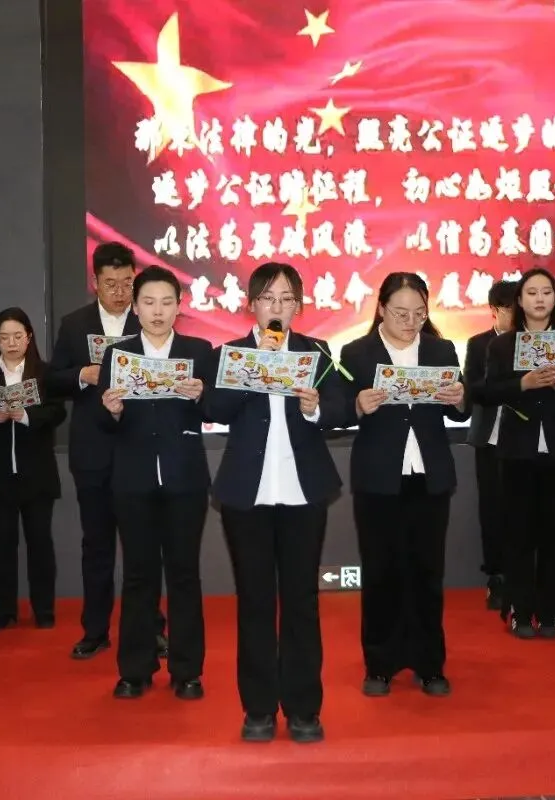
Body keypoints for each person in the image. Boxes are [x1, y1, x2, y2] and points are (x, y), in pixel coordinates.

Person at [206, 262, 348, 744]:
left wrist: (316, 407)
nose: (278, 308)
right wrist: (250, 372)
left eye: (288, 300)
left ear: (299, 307)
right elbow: (213, 409)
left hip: (303, 490)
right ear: (252, 304)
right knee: (255, 601)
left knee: (302, 601)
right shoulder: (230, 354)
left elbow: (340, 406)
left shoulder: (316, 351)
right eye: (269, 298)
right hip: (248, 491)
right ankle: (259, 709)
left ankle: (304, 709)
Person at [340, 273, 468, 698]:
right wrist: (358, 404)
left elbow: (459, 410)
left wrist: (459, 398)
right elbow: (339, 407)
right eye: (400, 313)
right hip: (379, 477)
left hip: (429, 474)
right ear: (381, 309)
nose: (410, 322)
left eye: (419, 314)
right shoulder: (357, 352)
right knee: (381, 571)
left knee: (427, 571)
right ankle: (380, 664)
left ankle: (429, 663)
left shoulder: (440, 349)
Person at [98, 266, 212, 700]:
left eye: (166, 302)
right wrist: (112, 410)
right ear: (135, 306)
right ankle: (135, 669)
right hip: (133, 479)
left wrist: (201, 395)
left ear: (179, 306)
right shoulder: (118, 355)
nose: (158, 311)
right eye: (148, 302)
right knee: (138, 575)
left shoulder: (198, 350)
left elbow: (216, 410)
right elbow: (103, 423)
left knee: (184, 574)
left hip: (185, 477)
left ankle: (187, 671)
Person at [49, 242, 166, 660]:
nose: (119, 291)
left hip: (140, 447)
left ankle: (151, 629)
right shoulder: (74, 323)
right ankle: (95, 630)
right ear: (95, 282)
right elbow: (52, 378)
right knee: (97, 545)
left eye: (127, 282)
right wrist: (83, 374)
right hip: (93, 451)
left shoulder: (148, 320)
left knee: (144, 547)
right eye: (110, 283)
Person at [483, 268, 555, 639]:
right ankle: (519, 610)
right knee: (518, 532)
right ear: (520, 301)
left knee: (554, 532)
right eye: (532, 293)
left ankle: (551, 612)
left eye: (546, 292)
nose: (540, 299)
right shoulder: (502, 346)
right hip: (517, 449)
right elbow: (486, 393)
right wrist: (522, 383)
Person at [0, 308, 65, 630]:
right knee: (2, 543)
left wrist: (26, 416)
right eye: (4, 337)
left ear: (29, 338)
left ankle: (44, 610)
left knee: (40, 542)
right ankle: (4, 610)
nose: (11, 343)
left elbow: (57, 412)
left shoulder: (45, 373)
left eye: (17, 336)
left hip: (37, 473)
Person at [463, 278, 516, 611]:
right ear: (494, 311)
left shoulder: (533, 343)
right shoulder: (478, 343)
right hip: (490, 439)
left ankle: (522, 577)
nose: (515, 315)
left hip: (525, 440)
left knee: (521, 513)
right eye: (509, 309)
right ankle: (495, 576)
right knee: (492, 511)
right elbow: (473, 388)